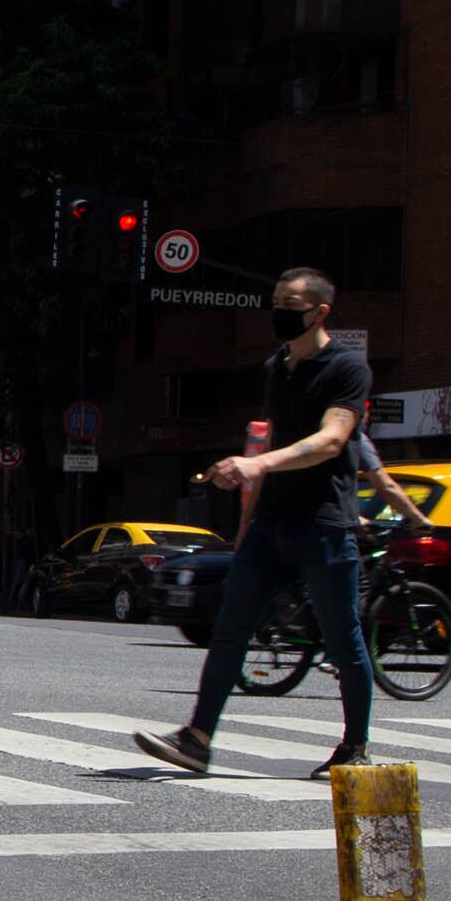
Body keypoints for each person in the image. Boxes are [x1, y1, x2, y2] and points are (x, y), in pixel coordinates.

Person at [136, 268, 374, 779]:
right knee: (230, 630)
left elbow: (333, 440)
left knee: (343, 640)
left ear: (320, 311)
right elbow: (268, 445)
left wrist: (257, 465)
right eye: (276, 301)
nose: (279, 312)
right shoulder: (276, 368)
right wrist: (247, 525)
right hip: (269, 526)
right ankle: (198, 739)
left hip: (324, 525)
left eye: (290, 303)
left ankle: (355, 746)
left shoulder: (347, 368)